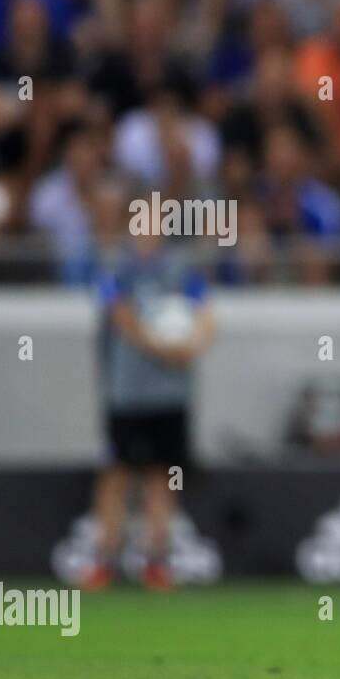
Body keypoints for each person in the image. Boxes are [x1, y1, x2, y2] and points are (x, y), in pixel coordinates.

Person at [86, 220, 214, 591]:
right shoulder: (116, 269)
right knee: (116, 472)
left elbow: (206, 313)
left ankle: (156, 561)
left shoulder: (181, 268)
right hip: (127, 394)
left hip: (170, 395)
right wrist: (160, 346)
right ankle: (104, 559)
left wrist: (193, 345)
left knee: (163, 474)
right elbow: (119, 315)